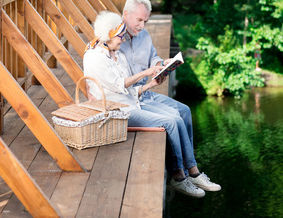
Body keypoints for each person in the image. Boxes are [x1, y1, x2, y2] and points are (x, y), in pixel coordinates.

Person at [83, 11, 220, 198]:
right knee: (172, 122)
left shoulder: (115, 54)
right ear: (108, 35)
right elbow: (119, 84)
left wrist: (149, 85)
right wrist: (146, 73)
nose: (122, 39)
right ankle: (179, 177)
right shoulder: (95, 57)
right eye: (119, 36)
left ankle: (191, 172)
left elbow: (128, 91)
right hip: (115, 110)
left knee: (178, 117)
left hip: (132, 102)